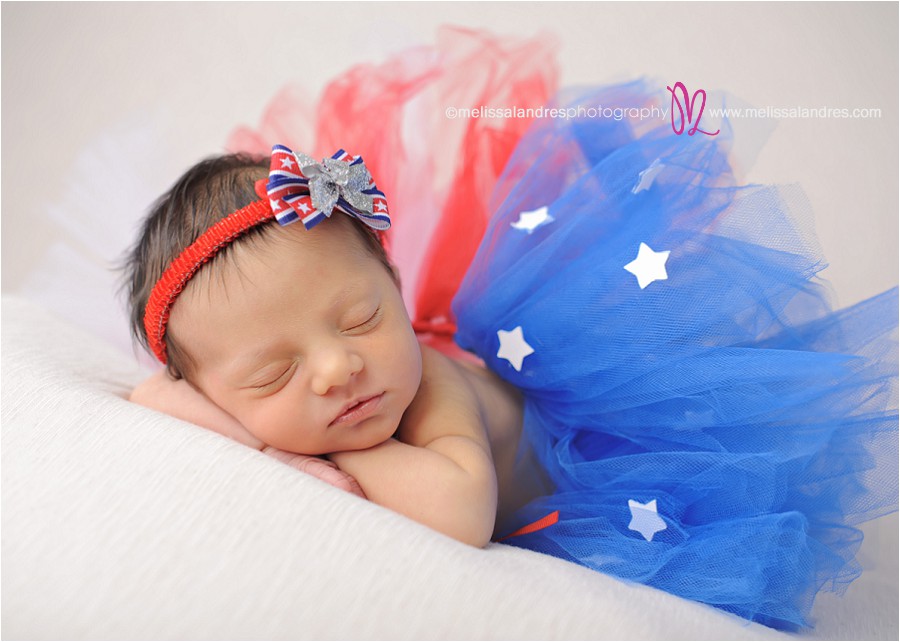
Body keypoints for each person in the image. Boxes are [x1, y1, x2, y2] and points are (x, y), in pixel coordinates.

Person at [125, 78, 897, 632]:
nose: (338, 369)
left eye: (362, 319)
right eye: (274, 373)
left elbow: (460, 511)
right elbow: (153, 398)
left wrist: (270, 442)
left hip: (606, 462)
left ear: (393, 284)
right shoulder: (278, 383)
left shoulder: (430, 391)